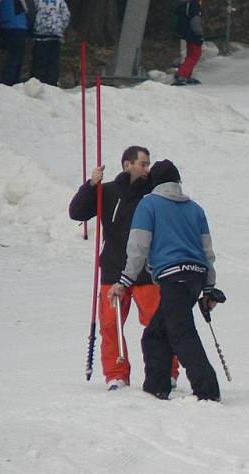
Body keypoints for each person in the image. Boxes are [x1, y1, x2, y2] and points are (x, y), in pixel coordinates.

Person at [108, 160, 222, 402]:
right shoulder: (195, 209)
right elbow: (207, 251)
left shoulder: (148, 204)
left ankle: (207, 391)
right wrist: (209, 288)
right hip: (195, 279)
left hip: (172, 277)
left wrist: (124, 281)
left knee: (181, 333)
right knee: (155, 335)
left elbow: (138, 245)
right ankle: (156, 387)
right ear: (177, 181)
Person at [69, 146, 179, 391]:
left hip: (146, 271)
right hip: (113, 268)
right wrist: (90, 186)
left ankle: (167, 371)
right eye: (143, 163)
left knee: (158, 322)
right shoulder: (107, 192)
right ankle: (116, 374)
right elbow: (77, 212)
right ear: (127, 165)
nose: (147, 169)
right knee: (110, 325)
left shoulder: (153, 195)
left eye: (148, 164)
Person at [30, 0, 70, 86]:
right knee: (53, 61)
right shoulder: (60, 2)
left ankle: (37, 82)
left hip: (40, 35)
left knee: (39, 61)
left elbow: (31, 13)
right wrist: (60, 28)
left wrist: (33, 27)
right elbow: (66, 15)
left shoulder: (37, 1)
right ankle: (51, 83)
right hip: (55, 35)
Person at [0, 0, 33, 86]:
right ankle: (10, 81)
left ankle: (6, 80)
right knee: (16, 57)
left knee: (9, 56)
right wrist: (31, 29)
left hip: (4, 27)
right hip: (19, 26)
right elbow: (29, 10)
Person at [174, 0, 204, 85]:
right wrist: (200, 33)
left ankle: (186, 75)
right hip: (193, 33)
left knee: (190, 54)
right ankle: (181, 75)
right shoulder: (194, 4)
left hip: (185, 32)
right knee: (195, 55)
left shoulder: (184, 4)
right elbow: (195, 21)